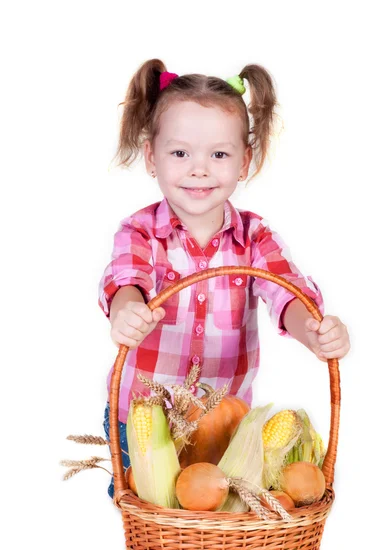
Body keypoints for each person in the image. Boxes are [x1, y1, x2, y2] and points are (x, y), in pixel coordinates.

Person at [99, 59, 351, 498]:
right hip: (142, 421)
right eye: (180, 153)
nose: (199, 169)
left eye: (219, 154)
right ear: (150, 158)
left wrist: (312, 330)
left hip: (227, 428)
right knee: (152, 510)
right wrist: (127, 311)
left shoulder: (255, 237)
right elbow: (126, 279)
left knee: (217, 514)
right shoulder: (139, 231)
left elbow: (284, 290)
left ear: (244, 160)